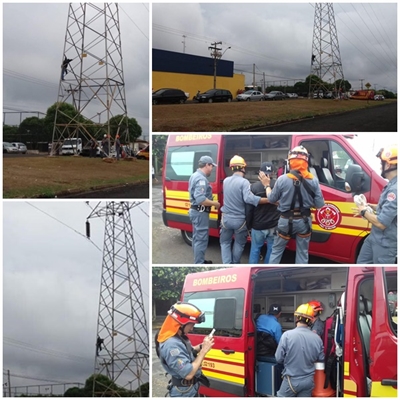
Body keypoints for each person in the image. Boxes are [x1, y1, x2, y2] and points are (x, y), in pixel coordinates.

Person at [263, 145, 325, 264]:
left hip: (285, 220)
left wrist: (267, 186)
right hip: (304, 221)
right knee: (302, 253)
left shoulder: (282, 179)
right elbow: (319, 204)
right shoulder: (314, 180)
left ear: (290, 162)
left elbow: (271, 199)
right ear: (306, 162)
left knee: (276, 251)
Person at [156, 302, 214, 397]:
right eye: (191, 325)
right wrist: (204, 351)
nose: (191, 329)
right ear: (181, 324)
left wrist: (202, 346)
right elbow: (188, 374)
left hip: (190, 389)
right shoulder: (172, 344)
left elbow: (188, 352)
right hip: (184, 393)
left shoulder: (177, 338)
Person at [220, 155, 270, 264]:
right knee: (239, 243)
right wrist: (268, 199)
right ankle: (235, 264)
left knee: (225, 243)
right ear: (243, 168)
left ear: (232, 168)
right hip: (239, 220)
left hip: (226, 219)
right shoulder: (244, 182)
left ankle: (227, 264)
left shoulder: (225, 181)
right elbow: (249, 199)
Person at [354, 145, 397, 264]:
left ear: (388, 165)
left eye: (381, 163)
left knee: (379, 273)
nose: (380, 166)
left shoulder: (395, 190)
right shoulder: (390, 185)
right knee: (361, 266)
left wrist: (363, 211)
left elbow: (382, 223)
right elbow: (387, 209)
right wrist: (370, 206)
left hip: (384, 244)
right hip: (374, 237)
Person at [275, 303, 325, 397]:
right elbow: (321, 358)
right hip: (308, 381)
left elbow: (278, 358)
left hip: (291, 381)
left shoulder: (287, 335)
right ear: (311, 320)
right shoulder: (317, 338)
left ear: (296, 318)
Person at [246, 162, 280, 264]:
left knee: (255, 250)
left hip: (258, 225)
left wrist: (249, 225)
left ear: (260, 173)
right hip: (273, 225)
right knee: (271, 250)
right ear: (273, 172)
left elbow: (249, 209)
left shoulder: (253, 187)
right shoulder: (278, 185)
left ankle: (251, 269)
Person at [188, 156, 220, 264]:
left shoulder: (194, 175)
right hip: (200, 212)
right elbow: (201, 199)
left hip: (196, 212)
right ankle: (199, 263)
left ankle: (199, 260)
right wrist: (214, 203)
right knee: (201, 240)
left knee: (197, 239)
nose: (212, 169)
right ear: (207, 165)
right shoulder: (201, 179)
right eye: (211, 166)